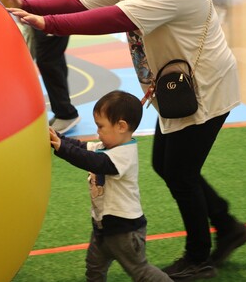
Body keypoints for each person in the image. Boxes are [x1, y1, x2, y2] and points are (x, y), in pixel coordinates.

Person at [0, 0, 246, 280]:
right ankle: (228, 225)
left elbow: (115, 17)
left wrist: (48, 24)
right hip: (176, 89)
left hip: (204, 91)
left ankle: (199, 256)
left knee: (180, 173)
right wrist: (23, 2)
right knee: (169, 166)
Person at [49, 90, 172, 282]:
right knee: (94, 268)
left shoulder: (124, 155)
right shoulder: (105, 147)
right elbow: (82, 148)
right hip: (102, 228)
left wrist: (62, 148)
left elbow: (94, 162)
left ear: (121, 126)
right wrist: (57, 138)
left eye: (101, 127)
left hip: (125, 230)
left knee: (140, 272)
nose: (97, 132)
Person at [19, 0, 83, 134]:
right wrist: (24, 2)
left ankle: (66, 113)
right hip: (39, 9)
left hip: (53, 13)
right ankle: (63, 111)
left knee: (49, 60)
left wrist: (61, 15)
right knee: (52, 59)